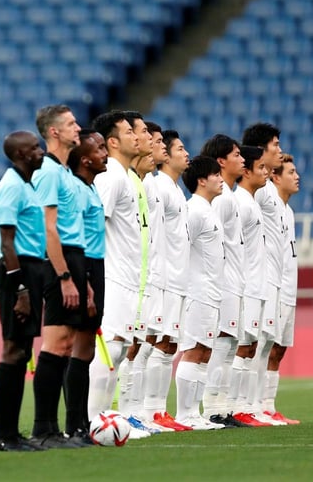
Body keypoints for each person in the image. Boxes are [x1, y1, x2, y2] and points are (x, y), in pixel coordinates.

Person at [29, 105, 94, 448]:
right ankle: (44, 428)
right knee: (55, 344)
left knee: (67, 345)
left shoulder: (66, 173)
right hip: (60, 261)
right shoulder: (49, 172)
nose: (77, 128)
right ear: (54, 131)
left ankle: (58, 429)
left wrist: (81, 280)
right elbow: (48, 229)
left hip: (74, 259)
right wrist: (65, 276)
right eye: (70, 124)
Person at [0, 130, 46, 452]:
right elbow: (7, 241)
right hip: (18, 271)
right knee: (13, 349)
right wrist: (21, 286)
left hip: (32, 269)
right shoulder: (11, 186)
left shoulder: (28, 185)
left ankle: (12, 433)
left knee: (23, 351)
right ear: (22, 155)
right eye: (35, 148)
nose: (40, 152)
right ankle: (3, 434)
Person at [87, 110, 140, 421]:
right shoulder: (110, 178)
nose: (136, 136)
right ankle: (93, 418)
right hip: (112, 275)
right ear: (113, 141)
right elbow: (95, 223)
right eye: (129, 132)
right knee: (109, 348)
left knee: (118, 351)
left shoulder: (125, 178)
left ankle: (103, 417)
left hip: (128, 277)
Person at [145, 130, 192, 431]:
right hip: (156, 276)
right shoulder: (156, 185)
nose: (183, 152)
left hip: (175, 277)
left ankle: (159, 410)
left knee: (167, 345)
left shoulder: (175, 190)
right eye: (178, 147)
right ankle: (147, 411)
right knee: (149, 343)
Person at [199, 135, 247, 428]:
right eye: (237, 155)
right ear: (221, 161)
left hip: (233, 280)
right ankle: (211, 408)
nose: (242, 160)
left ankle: (222, 407)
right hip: (221, 281)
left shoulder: (229, 196)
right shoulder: (221, 200)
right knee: (221, 343)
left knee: (229, 345)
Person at [175, 156, 225, 430]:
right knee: (194, 350)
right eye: (216, 174)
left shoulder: (209, 209)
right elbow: (181, 248)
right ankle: (185, 414)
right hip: (198, 291)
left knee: (205, 352)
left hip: (212, 291)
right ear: (202, 180)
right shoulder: (193, 210)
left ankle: (195, 413)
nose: (221, 179)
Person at [241, 123, 285, 426]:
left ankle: (256, 405)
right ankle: (243, 404)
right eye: (275, 144)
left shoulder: (268, 187)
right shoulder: (255, 192)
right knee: (250, 342)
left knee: (264, 342)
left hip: (272, 275)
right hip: (257, 276)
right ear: (260, 150)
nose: (279, 150)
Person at [116, 111, 157, 436]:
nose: (141, 138)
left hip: (141, 278)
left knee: (136, 345)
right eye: (139, 132)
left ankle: (133, 413)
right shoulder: (118, 179)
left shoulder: (137, 183)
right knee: (121, 347)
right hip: (121, 279)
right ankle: (119, 414)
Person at [68, 128, 108, 431]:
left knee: (87, 349)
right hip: (86, 267)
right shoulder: (77, 190)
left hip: (95, 265)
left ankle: (81, 420)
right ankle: (75, 422)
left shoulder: (91, 187)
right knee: (78, 348)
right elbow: (77, 238)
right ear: (84, 159)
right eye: (99, 149)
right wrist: (86, 283)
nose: (104, 153)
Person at [228, 145, 269, 427]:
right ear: (247, 171)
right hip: (244, 283)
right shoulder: (240, 203)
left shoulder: (251, 201)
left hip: (256, 282)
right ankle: (232, 406)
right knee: (241, 346)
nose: (267, 173)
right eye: (262, 168)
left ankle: (243, 406)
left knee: (250, 346)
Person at [136, 121, 172, 431]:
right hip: (138, 276)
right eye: (152, 138)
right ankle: (134, 413)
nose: (155, 144)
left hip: (157, 274)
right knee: (135, 345)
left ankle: (146, 412)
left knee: (147, 344)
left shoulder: (154, 183)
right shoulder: (142, 184)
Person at [264, 154, 300, 425]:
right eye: (291, 171)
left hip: (289, 287)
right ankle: (257, 406)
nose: (297, 176)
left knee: (280, 349)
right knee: (266, 346)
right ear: (275, 177)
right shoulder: (270, 204)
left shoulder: (289, 211)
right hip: (272, 286)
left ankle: (269, 406)